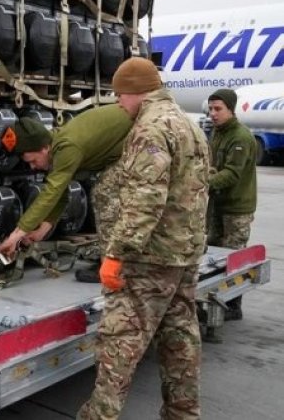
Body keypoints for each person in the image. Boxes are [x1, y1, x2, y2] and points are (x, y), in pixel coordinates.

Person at [76, 57, 210, 420]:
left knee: (120, 342)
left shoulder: (151, 128)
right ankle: (183, 414)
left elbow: (145, 197)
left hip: (150, 258)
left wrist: (117, 252)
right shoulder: (189, 124)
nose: (119, 103)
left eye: (120, 95)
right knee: (180, 338)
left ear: (136, 91)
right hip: (185, 252)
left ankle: (99, 416)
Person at [0, 105, 133, 284]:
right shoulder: (57, 146)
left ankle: (114, 266)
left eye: (33, 161)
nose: (33, 167)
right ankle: (116, 259)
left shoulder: (67, 147)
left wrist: (16, 235)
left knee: (104, 194)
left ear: (44, 148)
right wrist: (40, 232)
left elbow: (51, 193)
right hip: (126, 148)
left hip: (143, 142)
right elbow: (60, 194)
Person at [206, 88, 257, 323]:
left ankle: (234, 305)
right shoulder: (218, 133)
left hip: (236, 208)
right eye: (211, 108)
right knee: (213, 255)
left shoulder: (240, 137)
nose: (213, 114)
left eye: (218, 109)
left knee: (233, 258)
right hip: (217, 204)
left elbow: (232, 174)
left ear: (231, 109)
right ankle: (216, 301)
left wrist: (202, 183)